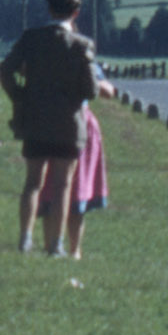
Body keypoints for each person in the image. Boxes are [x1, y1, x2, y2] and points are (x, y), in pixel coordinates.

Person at [3, 0, 100, 257]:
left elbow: (5, 70)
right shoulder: (82, 45)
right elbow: (92, 90)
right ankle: (57, 244)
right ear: (76, 12)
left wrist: (19, 97)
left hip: (34, 119)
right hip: (69, 124)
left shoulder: (30, 38)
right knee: (62, 184)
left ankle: (25, 239)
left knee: (32, 182)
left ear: (49, 8)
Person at [40, 61, 116, 259]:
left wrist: (85, 82)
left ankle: (73, 250)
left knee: (76, 187)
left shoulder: (82, 58)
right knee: (49, 186)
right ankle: (53, 247)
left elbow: (107, 90)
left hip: (76, 123)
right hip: (53, 123)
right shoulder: (45, 53)